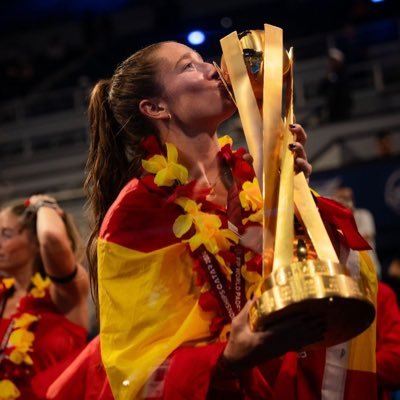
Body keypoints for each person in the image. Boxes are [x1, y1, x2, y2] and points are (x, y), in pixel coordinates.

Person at [80, 41, 376, 400]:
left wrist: (296, 196)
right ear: (155, 107)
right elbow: (136, 369)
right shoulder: (135, 215)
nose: (213, 69)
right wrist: (229, 358)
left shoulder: (253, 177)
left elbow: (332, 269)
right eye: (188, 66)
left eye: (204, 59)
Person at [0, 195, 89, 399]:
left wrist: (44, 205)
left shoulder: (64, 294)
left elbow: (52, 238)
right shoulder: (3, 296)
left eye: (6, 234)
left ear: (35, 241)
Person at [333, 185, 382, 277]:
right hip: (348, 273)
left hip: (369, 271)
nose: (343, 201)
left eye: (347, 198)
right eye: (340, 198)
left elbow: (361, 241)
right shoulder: (334, 220)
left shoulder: (364, 215)